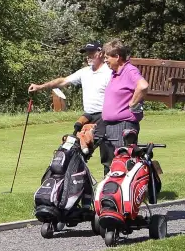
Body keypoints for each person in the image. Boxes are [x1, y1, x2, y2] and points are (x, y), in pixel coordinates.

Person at [28, 41, 112, 139]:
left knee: (106, 151)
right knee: (78, 149)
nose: (88, 56)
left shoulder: (109, 72)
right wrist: (40, 87)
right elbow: (62, 81)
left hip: (104, 116)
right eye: (87, 53)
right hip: (87, 116)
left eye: (91, 53)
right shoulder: (84, 72)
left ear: (100, 53)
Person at [99, 39, 149, 172]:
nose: (105, 60)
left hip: (123, 126)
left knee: (122, 163)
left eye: (107, 57)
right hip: (111, 126)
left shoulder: (129, 70)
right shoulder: (115, 73)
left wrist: (132, 103)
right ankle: (111, 191)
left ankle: (122, 192)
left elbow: (143, 86)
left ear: (117, 56)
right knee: (111, 164)